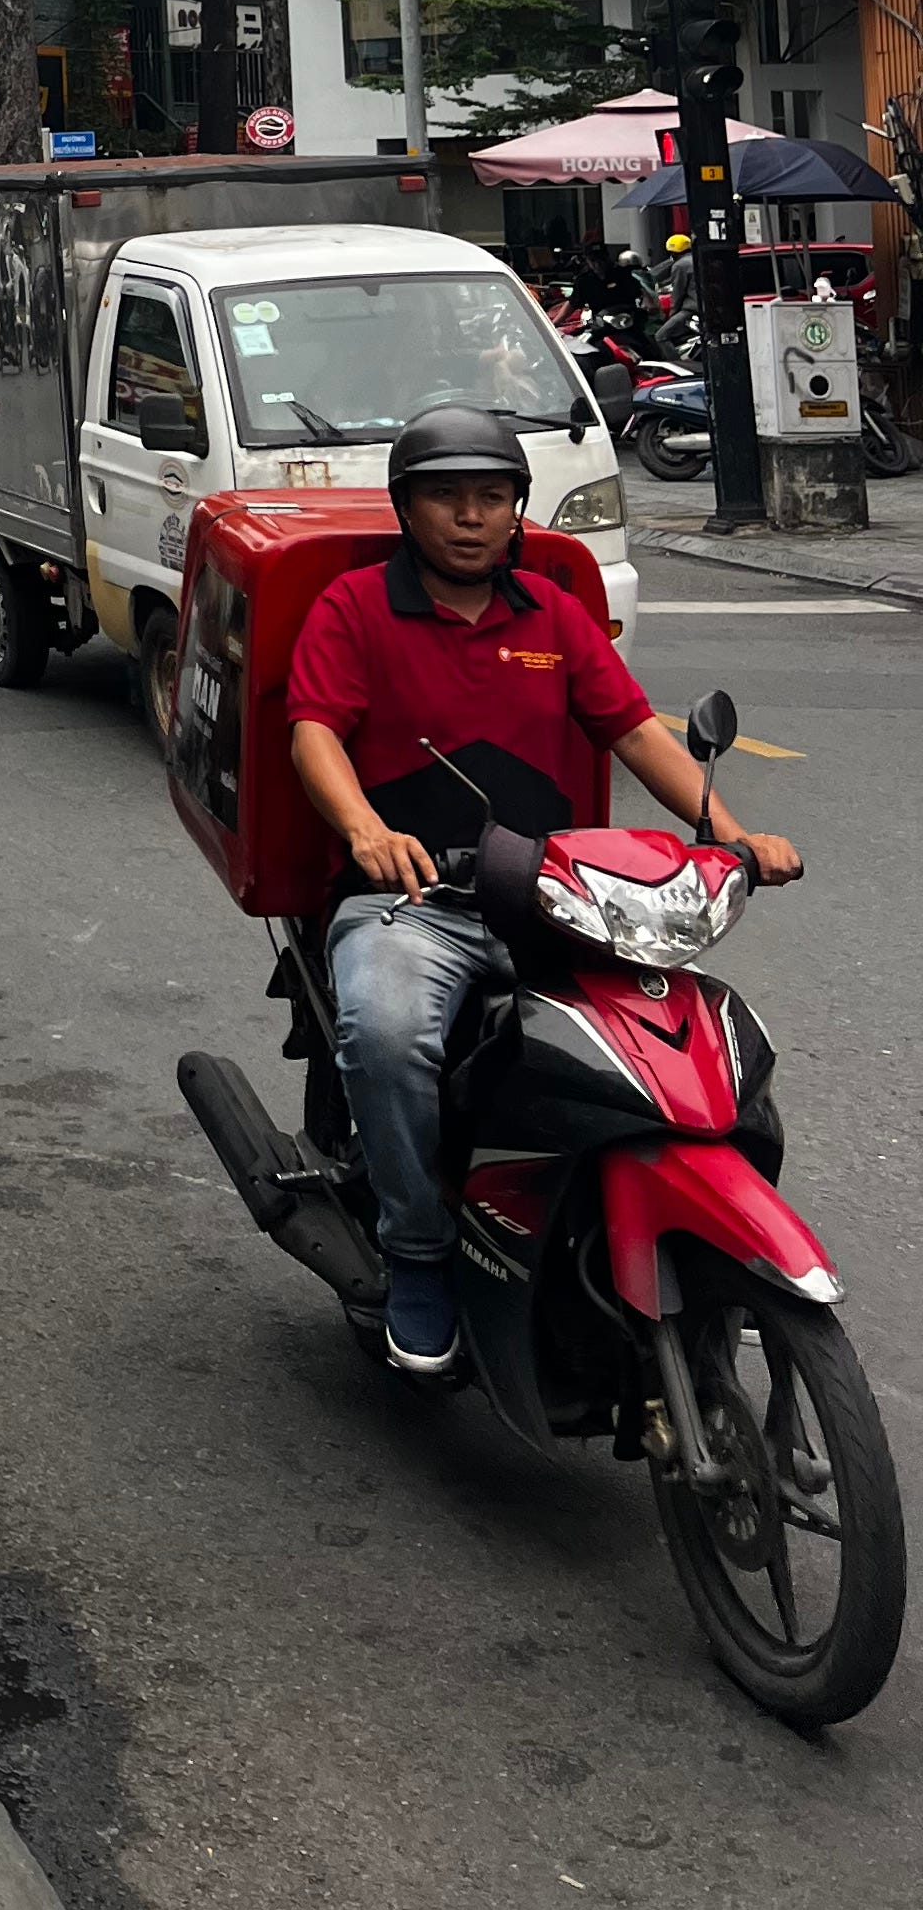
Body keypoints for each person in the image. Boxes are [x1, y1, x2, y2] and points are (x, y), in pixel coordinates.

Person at [289, 406, 803, 1382]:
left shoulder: (553, 615)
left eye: (492, 497)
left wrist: (730, 834)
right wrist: (365, 830)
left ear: (519, 511)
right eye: (447, 497)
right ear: (408, 509)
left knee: (699, 1044)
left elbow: (636, 730)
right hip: (417, 897)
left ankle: (669, 1237)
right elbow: (314, 730)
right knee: (386, 1028)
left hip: (559, 896)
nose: (470, 517)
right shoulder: (354, 609)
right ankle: (420, 1251)